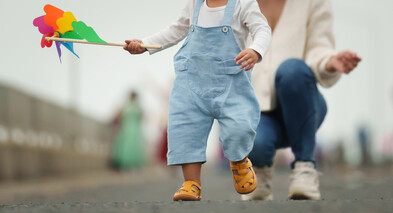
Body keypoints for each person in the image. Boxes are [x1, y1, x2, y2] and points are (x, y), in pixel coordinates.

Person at [124, 0, 271, 201]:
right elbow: (176, 30)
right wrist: (144, 44)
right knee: (186, 131)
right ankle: (191, 183)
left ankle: (238, 160)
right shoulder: (195, 4)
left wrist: (256, 50)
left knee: (240, 126)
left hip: (231, 83)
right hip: (191, 84)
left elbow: (262, 29)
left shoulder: (243, 4)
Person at [244, 0, 361, 201]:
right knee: (256, 144)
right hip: (256, 110)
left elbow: (319, 47)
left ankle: (305, 167)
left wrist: (329, 61)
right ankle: (258, 170)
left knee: (292, 70)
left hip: (302, 104)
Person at [111, 91, 146, 170]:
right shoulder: (130, 107)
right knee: (128, 145)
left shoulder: (129, 107)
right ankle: (125, 164)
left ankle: (132, 164)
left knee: (132, 145)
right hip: (128, 128)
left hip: (132, 129)